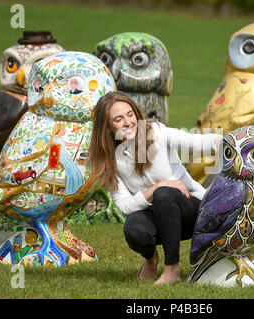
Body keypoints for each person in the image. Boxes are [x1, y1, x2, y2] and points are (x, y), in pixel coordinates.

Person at [89, 91, 222, 284]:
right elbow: (125, 206)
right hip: (158, 216)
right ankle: (151, 259)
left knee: (164, 194)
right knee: (134, 228)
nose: (128, 122)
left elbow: (196, 141)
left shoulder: (156, 132)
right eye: (118, 119)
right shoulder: (109, 159)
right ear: (107, 127)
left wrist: (226, 143)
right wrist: (155, 187)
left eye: (130, 114)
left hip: (191, 211)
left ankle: (172, 269)